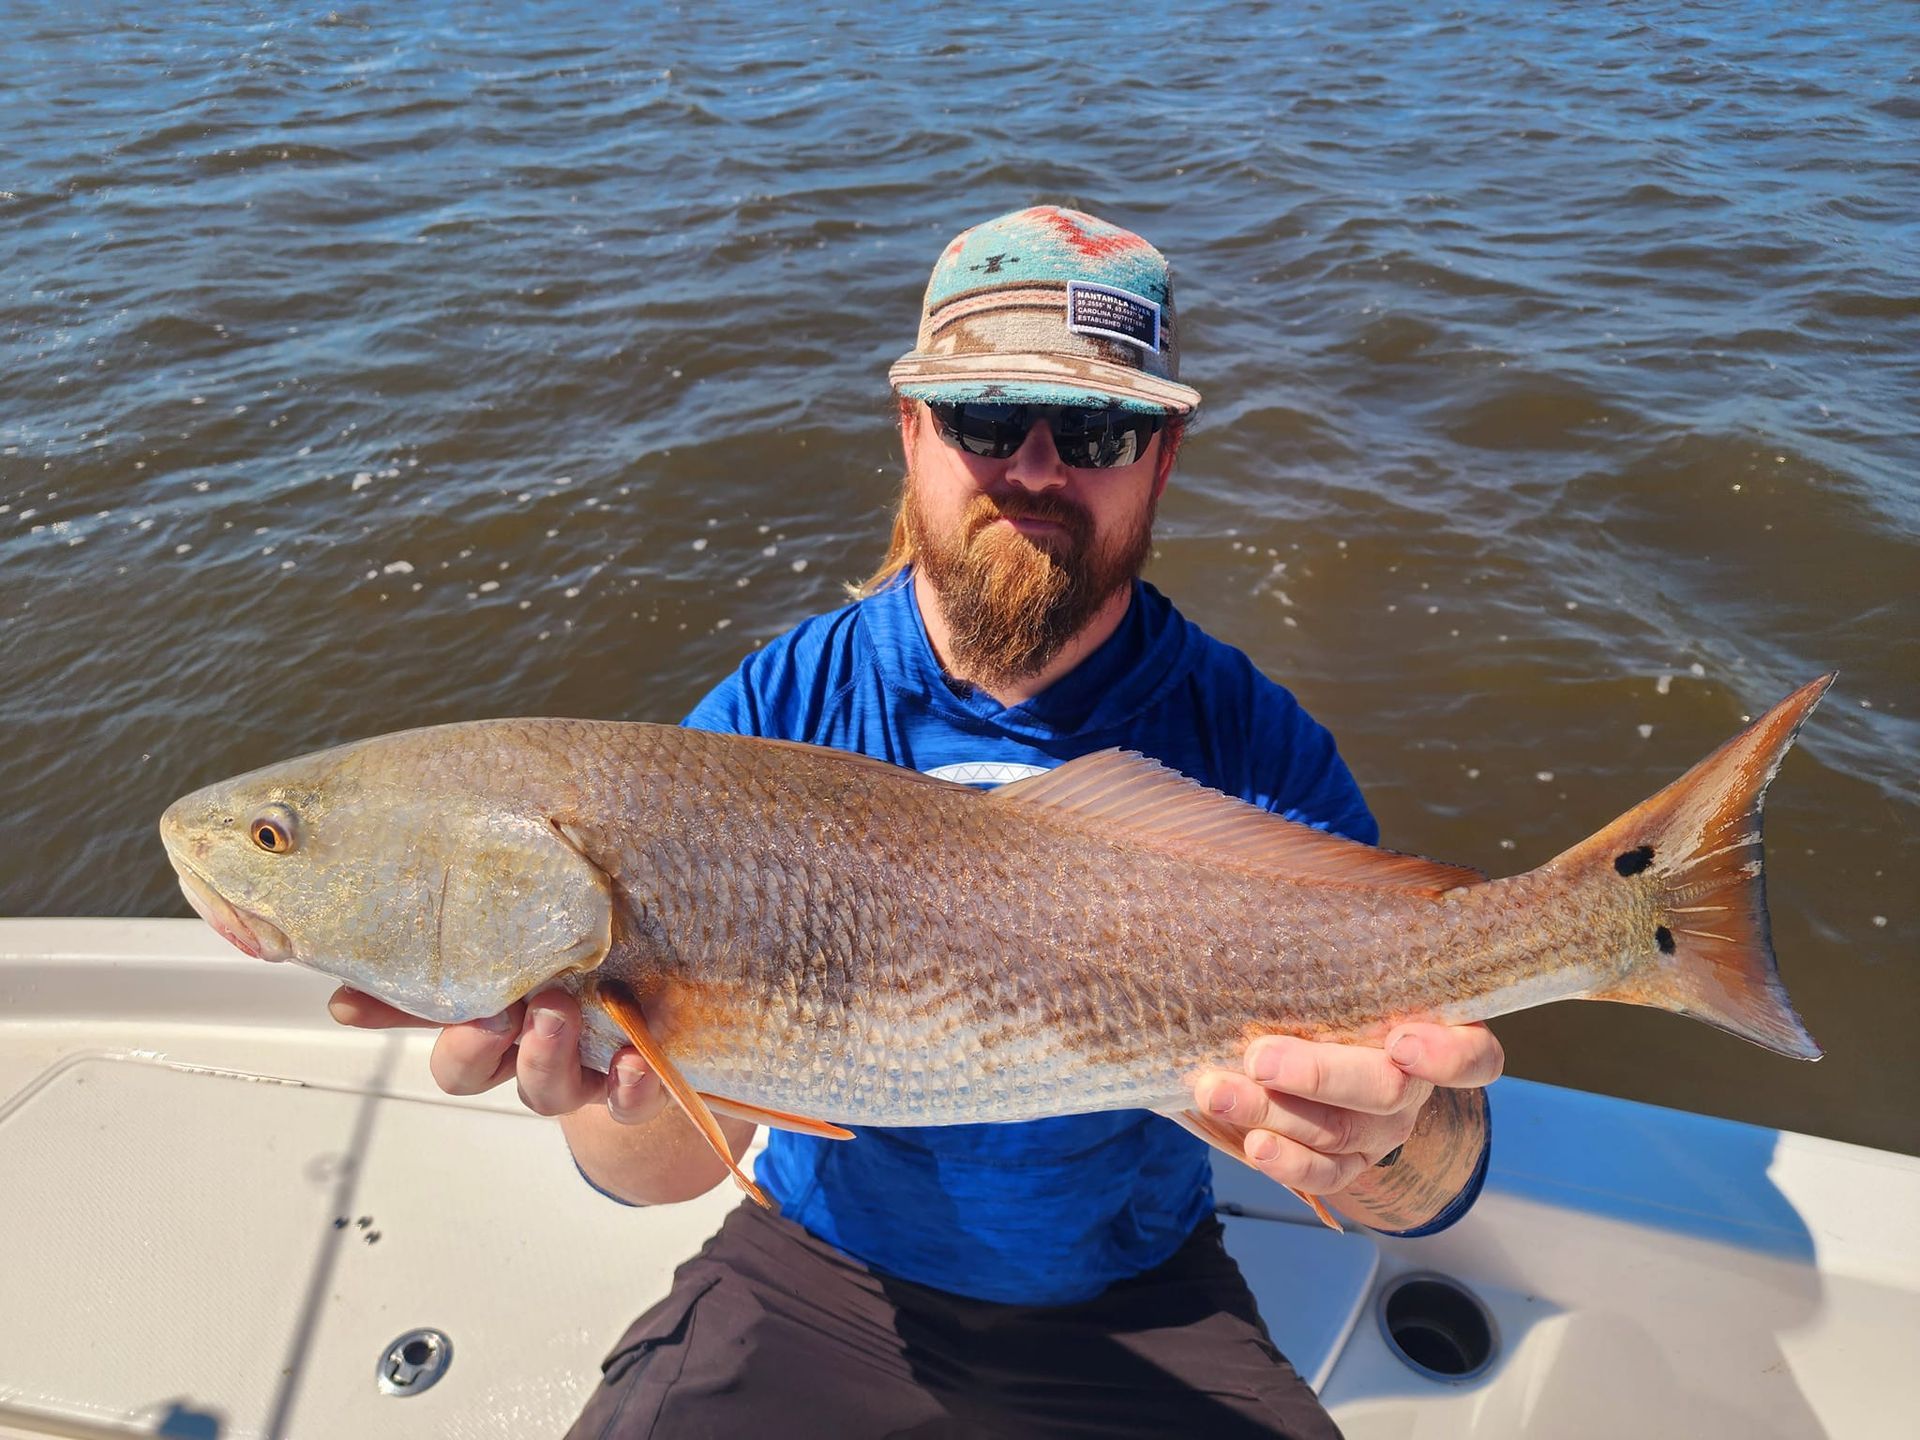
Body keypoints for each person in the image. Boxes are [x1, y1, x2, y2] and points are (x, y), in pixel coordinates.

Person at [330, 205, 1504, 1438]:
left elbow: (1437, 1179)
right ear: (912, 433)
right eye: (987, 417)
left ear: (1160, 459)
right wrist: (597, 1086)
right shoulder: (769, 720)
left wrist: (1390, 1136)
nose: (1037, 468)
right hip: (819, 1275)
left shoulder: (1254, 749)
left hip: (1141, 1293)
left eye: (1098, 427)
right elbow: (662, 1174)